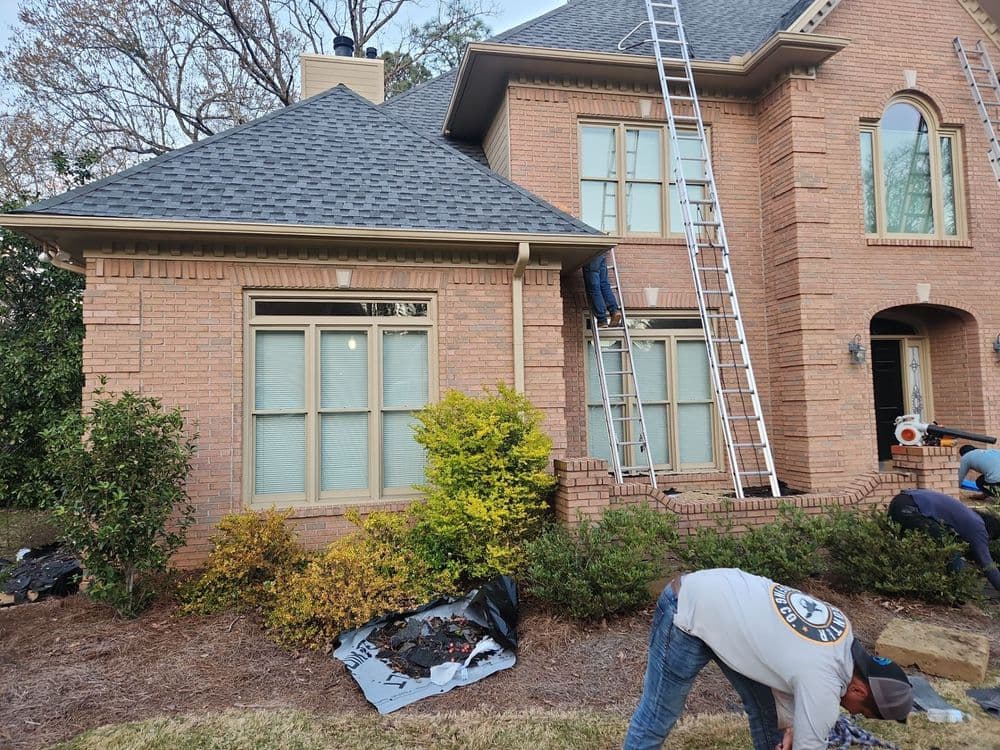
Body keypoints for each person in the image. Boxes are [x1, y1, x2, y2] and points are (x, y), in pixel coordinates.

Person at [623, 568, 912, 750]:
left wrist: (792, 726)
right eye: (860, 711)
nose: (851, 714)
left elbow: (786, 662)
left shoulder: (842, 631)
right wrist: (800, 732)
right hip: (686, 605)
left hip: (724, 602)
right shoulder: (824, 681)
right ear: (859, 690)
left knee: (770, 716)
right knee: (659, 714)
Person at [887, 488, 1000, 592]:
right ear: (990, 533)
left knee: (915, 543)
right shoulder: (978, 528)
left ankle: (894, 577)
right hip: (910, 508)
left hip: (900, 501)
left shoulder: (969, 516)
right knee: (950, 548)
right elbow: (987, 564)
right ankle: (956, 591)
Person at [583, 253, 622, 328]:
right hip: (601, 252)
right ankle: (614, 310)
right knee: (604, 284)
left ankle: (602, 319)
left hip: (591, 252)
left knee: (594, 287)